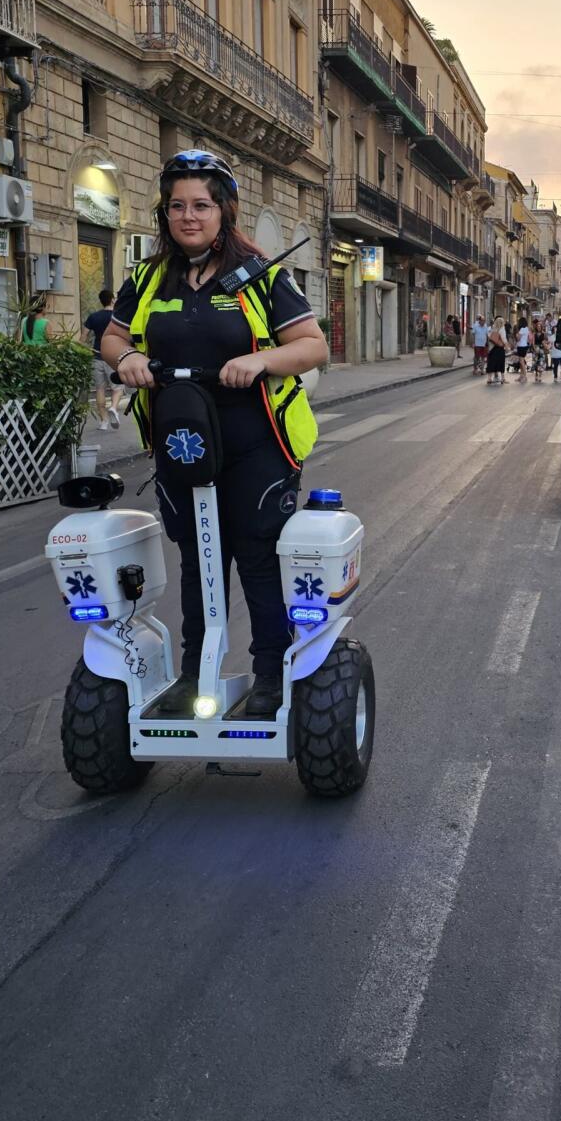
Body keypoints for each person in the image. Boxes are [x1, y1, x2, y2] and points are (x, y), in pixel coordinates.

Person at [102, 149, 327, 720]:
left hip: (256, 444)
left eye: (201, 204)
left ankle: (271, 673)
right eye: (177, 205)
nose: (189, 216)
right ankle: (194, 671)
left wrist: (264, 361)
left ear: (224, 210)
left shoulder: (261, 277)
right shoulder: (148, 277)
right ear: (165, 214)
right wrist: (126, 355)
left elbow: (313, 346)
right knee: (199, 562)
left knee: (255, 557)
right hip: (183, 446)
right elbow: (111, 335)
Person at [84, 287, 122, 431]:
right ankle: (113, 407)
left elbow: (83, 337)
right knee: (117, 388)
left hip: (97, 356)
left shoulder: (93, 317)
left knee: (100, 389)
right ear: (112, 299)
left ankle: (104, 421)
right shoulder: (118, 316)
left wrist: (85, 349)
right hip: (113, 356)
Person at [487, 317, 508, 386]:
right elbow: (504, 339)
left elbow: (489, 336)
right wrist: (507, 346)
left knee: (491, 363)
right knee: (501, 363)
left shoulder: (492, 328)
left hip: (492, 348)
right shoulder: (502, 329)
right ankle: (502, 378)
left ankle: (489, 378)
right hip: (500, 348)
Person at [514, 318, 531, 382]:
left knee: (521, 362)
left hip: (521, 346)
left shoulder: (522, 329)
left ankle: (524, 376)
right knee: (521, 362)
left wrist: (516, 334)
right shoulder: (526, 329)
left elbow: (518, 338)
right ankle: (521, 376)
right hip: (524, 346)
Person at [551, 313, 561, 381]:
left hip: (560, 352)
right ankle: (556, 376)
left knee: (560, 365)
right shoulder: (553, 336)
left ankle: (560, 375)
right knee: (556, 365)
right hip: (556, 353)